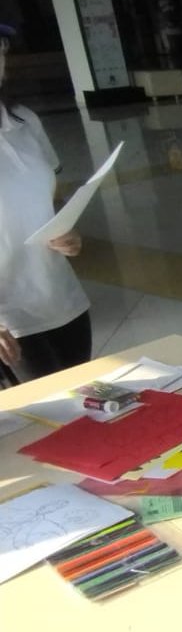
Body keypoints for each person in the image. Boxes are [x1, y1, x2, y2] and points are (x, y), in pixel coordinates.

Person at [0, 22, 91, 385]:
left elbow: (51, 197)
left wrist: (67, 229)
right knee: (49, 410)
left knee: (84, 403)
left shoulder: (24, 121)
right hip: (10, 321)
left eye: (1, 48)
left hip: (61, 298)